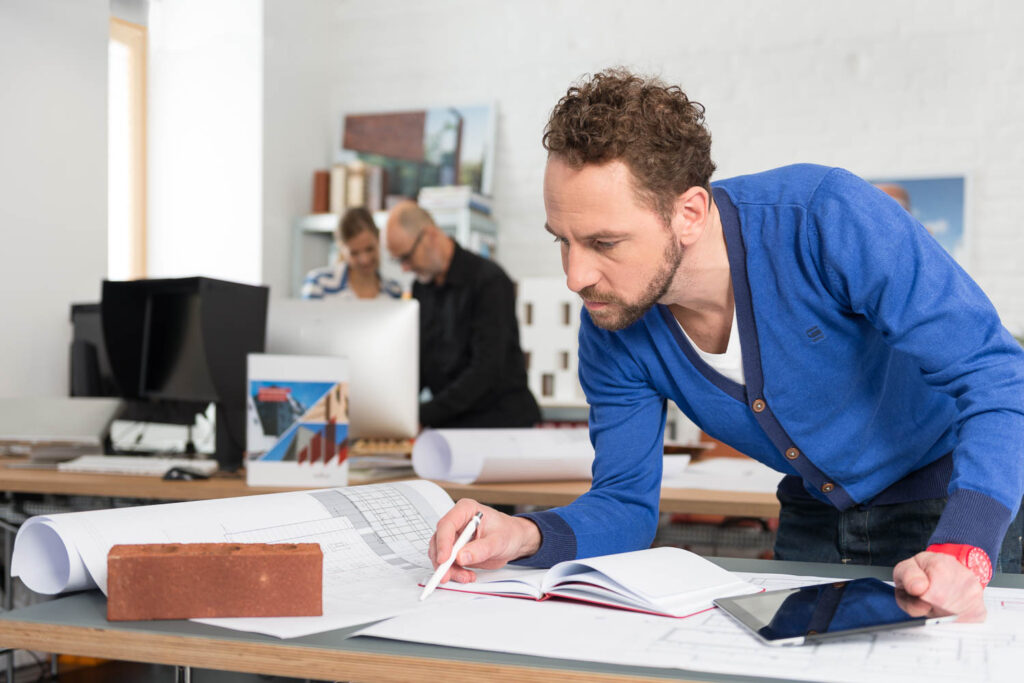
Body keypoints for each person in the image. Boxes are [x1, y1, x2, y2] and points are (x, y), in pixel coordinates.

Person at [427, 68, 1024, 622]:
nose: (575, 276)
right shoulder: (610, 323)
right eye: (563, 240)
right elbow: (626, 504)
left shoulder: (825, 216)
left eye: (604, 243)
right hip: (814, 520)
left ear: (689, 212)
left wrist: (965, 545)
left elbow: (997, 376)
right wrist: (525, 534)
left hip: (957, 505)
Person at [384, 200, 541, 429]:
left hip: (500, 426)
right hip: (450, 423)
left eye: (406, 257)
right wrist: (394, 409)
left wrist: (422, 414)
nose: (405, 268)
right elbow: (422, 362)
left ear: (429, 236)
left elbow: (485, 371)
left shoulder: (489, 282)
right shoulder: (421, 288)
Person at [301, 207, 403, 300]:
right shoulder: (319, 284)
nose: (364, 260)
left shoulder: (393, 291)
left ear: (378, 239)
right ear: (342, 250)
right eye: (354, 253)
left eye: (369, 249)